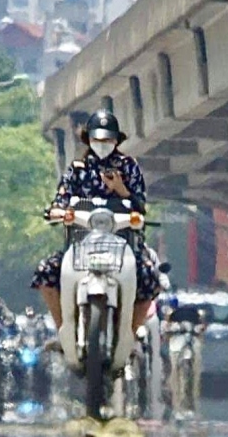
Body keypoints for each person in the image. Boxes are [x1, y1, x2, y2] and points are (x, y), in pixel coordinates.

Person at [32, 108, 161, 339]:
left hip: (123, 243)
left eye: (107, 139)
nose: (102, 144)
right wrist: (57, 211)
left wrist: (121, 190)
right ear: (89, 140)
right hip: (81, 243)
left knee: (151, 278)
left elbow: (140, 206)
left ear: (116, 140)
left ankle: (130, 334)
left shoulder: (128, 167)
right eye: (97, 139)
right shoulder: (77, 170)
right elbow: (61, 198)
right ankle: (65, 331)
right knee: (45, 272)